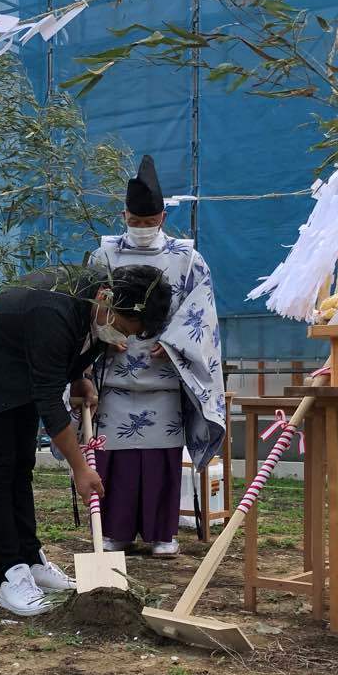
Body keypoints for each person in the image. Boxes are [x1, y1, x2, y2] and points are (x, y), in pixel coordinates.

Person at [0, 265, 173, 616]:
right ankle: (9, 574)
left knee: (20, 468)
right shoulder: (54, 309)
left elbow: (74, 348)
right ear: (105, 297)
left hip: (18, 371)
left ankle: (31, 561)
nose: (119, 337)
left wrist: (80, 377)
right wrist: (80, 468)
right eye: (121, 328)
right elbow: (49, 399)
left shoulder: (94, 305)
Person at [88, 155, 227, 556]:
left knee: (160, 457)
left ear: (163, 217)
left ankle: (161, 533)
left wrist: (172, 344)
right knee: (114, 454)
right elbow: (87, 303)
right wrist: (101, 334)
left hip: (163, 372)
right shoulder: (104, 256)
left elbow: (201, 310)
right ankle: (115, 531)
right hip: (114, 374)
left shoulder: (187, 259)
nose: (143, 229)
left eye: (150, 222)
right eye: (136, 221)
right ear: (124, 214)